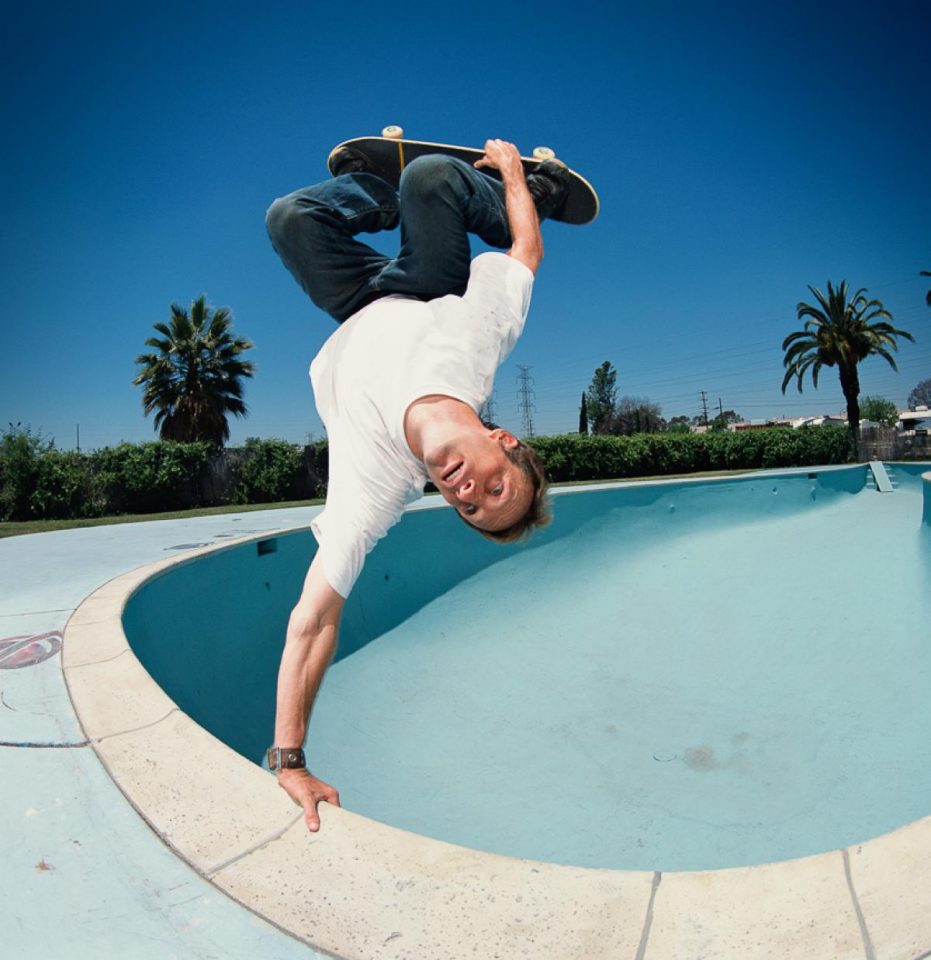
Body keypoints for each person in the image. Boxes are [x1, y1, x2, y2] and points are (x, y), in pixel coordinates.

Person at [264, 138, 564, 831]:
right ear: (504, 441)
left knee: (289, 219)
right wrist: (517, 180)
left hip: (358, 301)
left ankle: (371, 186)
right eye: (495, 490)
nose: (468, 495)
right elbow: (525, 252)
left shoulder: (376, 487)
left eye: (471, 511)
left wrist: (290, 759)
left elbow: (314, 620)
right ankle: (478, 191)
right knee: (431, 180)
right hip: (426, 285)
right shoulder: (480, 339)